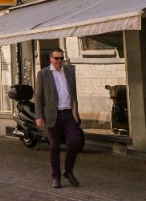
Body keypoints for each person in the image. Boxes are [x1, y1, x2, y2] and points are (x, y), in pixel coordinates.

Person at [35, 48, 83, 188]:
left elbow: (73, 93)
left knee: (75, 141)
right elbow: (38, 97)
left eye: (61, 58)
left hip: (68, 113)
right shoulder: (43, 74)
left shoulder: (69, 71)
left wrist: (76, 111)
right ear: (51, 59)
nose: (59, 61)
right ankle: (56, 177)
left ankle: (68, 172)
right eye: (56, 58)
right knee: (54, 145)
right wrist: (39, 116)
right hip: (52, 115)